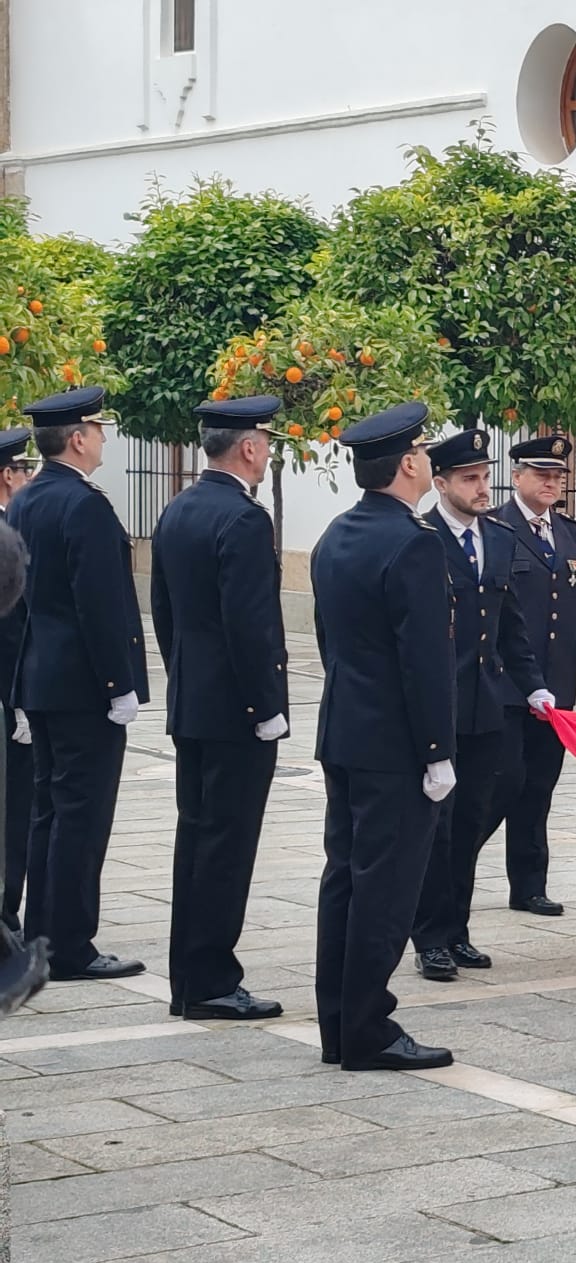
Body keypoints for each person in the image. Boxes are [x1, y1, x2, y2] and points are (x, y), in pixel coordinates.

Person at [309, 402, 459, 1070]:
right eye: (424, 453)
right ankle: (368, 1030)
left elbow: (331, 642)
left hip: (345, 732)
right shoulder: (415, 542)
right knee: (385, 889)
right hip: (397, 747)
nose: (428, 461)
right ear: (407, 464)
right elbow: (424, 660)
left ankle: (338, 1025)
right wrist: (438, 752)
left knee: (344, 878)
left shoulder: (335, 535)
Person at [149, 394, 291, 1019]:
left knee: (197, 840)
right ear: (251, 447)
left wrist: (185, 674)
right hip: (235, 712)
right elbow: (250, 625)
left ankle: (191, 978)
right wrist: (265, 706)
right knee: (227, 847)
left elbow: (162, 610)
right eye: (267, 443)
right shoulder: (244, 519)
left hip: (194, 703)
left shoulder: (178, 509)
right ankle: (210, 981)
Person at [10, 387, 148, 980]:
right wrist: (119, 683)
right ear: (77, 438)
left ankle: (43, 934)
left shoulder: (25, 501)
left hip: (40, 679)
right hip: (83, 687)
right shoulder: (83, 504)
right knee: (81, 817)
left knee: (49, 813)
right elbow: (101, 605)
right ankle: (70, 945)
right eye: (97, 428)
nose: (102, 438)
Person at [411, 429, 553, 981]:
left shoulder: (496, 539)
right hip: (439, 706)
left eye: (483, 476)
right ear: (440, 483)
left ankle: (457, 930)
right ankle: (428, 938)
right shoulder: (422, 539)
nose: (480, 487)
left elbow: (510, 625)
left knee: (470, 823)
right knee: (437, 826)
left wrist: (534, 684)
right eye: (468, 479)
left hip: (486, 707)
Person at [485, 435, 576, 916]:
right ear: (516, 476)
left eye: (558, 476)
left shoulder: (571, 533)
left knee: (539, 787)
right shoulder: (494, 529)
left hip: (557, 687)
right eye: (541, 474)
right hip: (505, 686)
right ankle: (447, 869)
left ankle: (528, 885)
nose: (551, 482)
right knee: (501, 785)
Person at [0, 427, 38, 933]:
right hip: (7, 695)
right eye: (24, 469)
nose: (29, 477)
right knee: (13, 809)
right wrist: (19, 700)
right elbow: (11, 631)